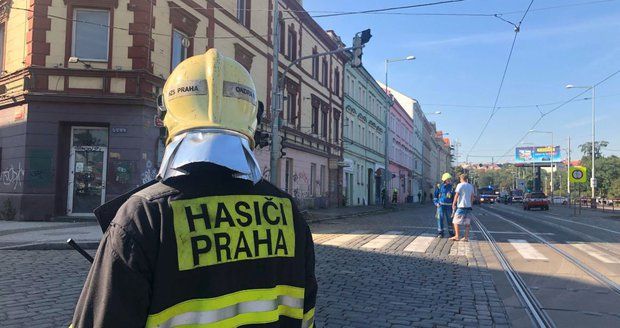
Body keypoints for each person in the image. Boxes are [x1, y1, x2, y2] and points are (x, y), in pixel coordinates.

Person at [71, 49, 317, 328]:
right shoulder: (288, 213)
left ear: (166, 116)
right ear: (253, 118)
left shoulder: (145, 217)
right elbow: (305, 316)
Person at [451, 173, 476, 241]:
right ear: (467, 179)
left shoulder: (460, 185)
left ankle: (457, 236)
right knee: (467, 223)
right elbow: (472, 197)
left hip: (461, 206)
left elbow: (457, 195)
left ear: (461, 179)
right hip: (468, 206)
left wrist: (454, 203)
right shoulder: (471, 186)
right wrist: (471, 205)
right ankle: (466, 237)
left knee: (455, 221)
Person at [433, 173, 455, 238]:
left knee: (449, 219)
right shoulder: (440, 186)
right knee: (440, 219)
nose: (449, 180)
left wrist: (454, 205)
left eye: (450, 179)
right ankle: (440, 232)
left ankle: (451, 232)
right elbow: (435, 196)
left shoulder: (452, 187)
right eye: (448, 179)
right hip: (441, 206)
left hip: (449, 206)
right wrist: (436, 203)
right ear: (444, 179)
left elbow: (454, 197)